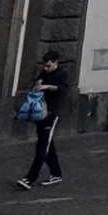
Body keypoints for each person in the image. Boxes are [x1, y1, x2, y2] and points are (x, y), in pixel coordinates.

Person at [16, 50, 70, 189]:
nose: (45, 68)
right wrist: (38, 82)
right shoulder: (44, 73)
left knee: (42, 147)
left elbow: (63, 89)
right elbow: (37, 83)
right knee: (47, 145)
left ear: (56, 63)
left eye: (48, 66)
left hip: (52, 113)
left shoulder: (62, 74)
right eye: (44, 66)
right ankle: (56, 174)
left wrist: (48, 86)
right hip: (41, 112)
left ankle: (30, 178)